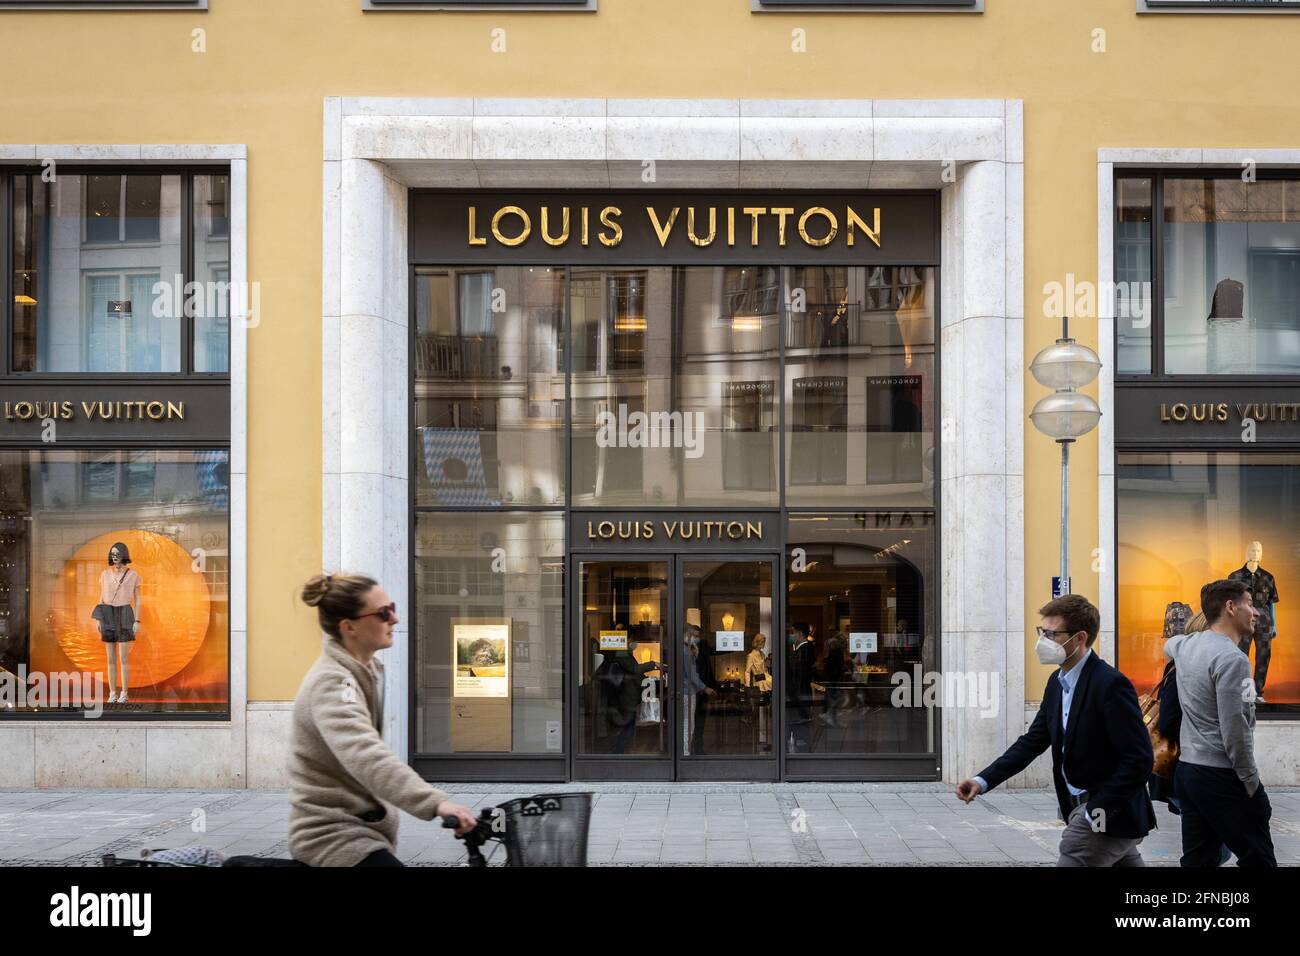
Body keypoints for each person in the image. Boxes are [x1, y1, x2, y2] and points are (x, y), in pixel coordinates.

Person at [288, 573, 476, 866]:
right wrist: (436, 803)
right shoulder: (332, 684)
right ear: (349, 627)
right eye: (383, 613)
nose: (395, 620)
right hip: (332, 837)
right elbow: (366, 755)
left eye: (393, 608)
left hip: (364, 832)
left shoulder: (367, 669)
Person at [957, 594, 1156, 866]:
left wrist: (1095, 813)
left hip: (1107, 813)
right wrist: (982, 781)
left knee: (1075, 852)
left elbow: (1140, 759)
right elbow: (1033, 741)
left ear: (1080, 638)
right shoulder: (1057, 682)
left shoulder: (1109, 685)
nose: (1043, 641)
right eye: (1042, 632)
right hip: (1083, 807)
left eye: (1053, 634)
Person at [1164, 579, 1277, 867]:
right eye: (1249, 604)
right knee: (1259, 859)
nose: (1256, 612)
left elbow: (1171, 644)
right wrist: (1251, 784)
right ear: (1230, 607)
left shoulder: (1187, 646)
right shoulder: (1232, 659)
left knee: (1198, 861)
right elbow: (1235, 732)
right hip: (1222, 776)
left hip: (1189, 773)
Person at [95, 542, 142, 705]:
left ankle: (125, 692)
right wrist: (99, 618)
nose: (114, 556)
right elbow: (102, 596)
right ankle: (112, 692)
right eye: (112, 553)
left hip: (125, 613)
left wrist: (137, 620)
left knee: (123, 657)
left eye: (117, 553)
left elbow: (138, 599)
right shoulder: (105, 574)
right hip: (107, 613)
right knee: (110, 658)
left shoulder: (133, 575)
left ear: (124, 554)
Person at [597, 642, 659, 754]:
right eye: (633, 641)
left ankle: (620, 752)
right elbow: (634, 669)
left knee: (626, 726)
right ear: (628, 640)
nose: (635, 644)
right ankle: (618, 753)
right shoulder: (621, 652)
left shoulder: (623, 653)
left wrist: (648, 679)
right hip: (624, 696)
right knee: (625, 725)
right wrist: (653, 664)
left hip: (624, 695)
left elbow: (633, 672)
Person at [744, 633, 772, 751]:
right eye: (762, 642)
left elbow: (765, 669)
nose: (764, 644)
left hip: (766, 678)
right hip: (759, 681)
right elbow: (747, 671)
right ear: (758, 642)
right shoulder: (751, 655)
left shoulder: (762, 654)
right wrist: (747, 686)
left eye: (764, 642)